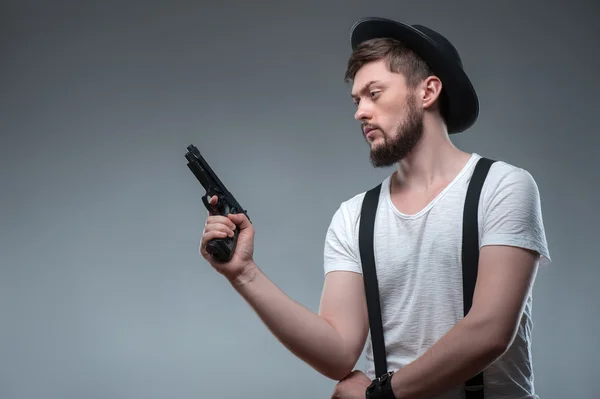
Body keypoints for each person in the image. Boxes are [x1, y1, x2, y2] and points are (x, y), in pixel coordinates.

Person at [199, 17, 551, 399]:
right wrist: (245, 275)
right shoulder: (354, 217)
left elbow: (490, 330)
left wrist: (380, 395)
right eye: (356, 100)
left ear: (427, 91)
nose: (360, 112)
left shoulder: (502, 187)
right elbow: (337, 351)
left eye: (374, 93)